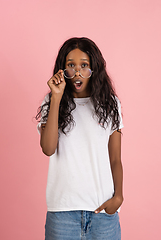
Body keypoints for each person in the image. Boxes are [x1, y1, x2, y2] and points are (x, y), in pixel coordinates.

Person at [36, 37, 124, 240]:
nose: (77, 72)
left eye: (84, 65)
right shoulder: (51, 102)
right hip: (62, 214)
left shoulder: (110, 105)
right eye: (71, 65)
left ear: (94, 68)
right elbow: (48, 148)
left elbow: (115, 159)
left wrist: (118, 197)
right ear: (62, 69)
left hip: (102, 213)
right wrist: (56, 97)